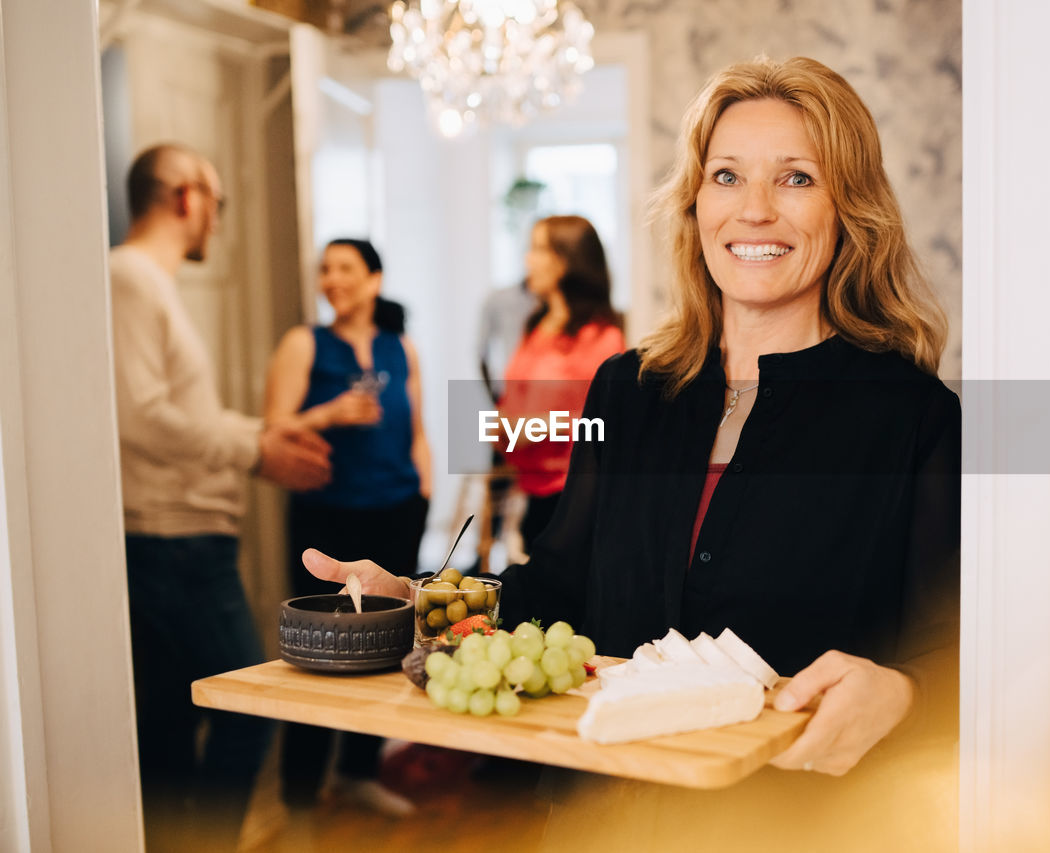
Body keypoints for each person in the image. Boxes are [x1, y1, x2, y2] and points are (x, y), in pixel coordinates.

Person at [304, 56, 959, 846]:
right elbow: (558, 584)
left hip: (795, 824)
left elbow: (948, 650)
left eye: (795, 178)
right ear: (694, 204)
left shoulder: (914, 416)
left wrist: (905, 692)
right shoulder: (627, 390)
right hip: (605, 813)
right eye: (726, 176)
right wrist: (420, 600)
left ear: (847, 206)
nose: (754, 210)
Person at [109, 143, 333, 851]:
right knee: (247, 706)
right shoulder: (131, 279)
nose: (217, 219)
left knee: (171, 725)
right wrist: (254, 447)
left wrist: (263, 436)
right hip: (173, 541)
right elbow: (140, 416)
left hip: (182, 540)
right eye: (217, 201)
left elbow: (176, 416)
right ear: (185, 198)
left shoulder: (148, 283)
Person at [263, 238, 432, 818]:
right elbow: (274, 430)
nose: (331, 278)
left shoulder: (400, 346)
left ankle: (360, 771)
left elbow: (417, 431)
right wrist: (330, 413)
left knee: (384, 645)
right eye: (325, 269)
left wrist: (423, 493)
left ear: (374, 279)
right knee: (316, 649)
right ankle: (299, 794)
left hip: (397, 510)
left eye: (345, 268)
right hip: (326, 515)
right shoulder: (303, 343)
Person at [499, 215, 625, 547]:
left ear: (567, 260)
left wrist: (538, 426)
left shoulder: (601, 338)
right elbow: (514, 399)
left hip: (574, 496)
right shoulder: (536, 326)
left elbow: (605, 423)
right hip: (531, 490)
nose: (528, 259)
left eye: (538, 249)